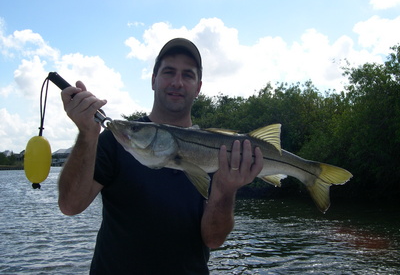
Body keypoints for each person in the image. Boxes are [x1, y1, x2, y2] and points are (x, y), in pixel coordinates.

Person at [58, 38, 264, 274]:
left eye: (188, 75)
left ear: (198, 87)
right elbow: (70, 205)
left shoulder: (223, 153)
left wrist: (225, 190)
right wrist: (86, 135)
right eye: (168, 72)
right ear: (153, 80)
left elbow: (213, 239)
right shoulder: (113, 142)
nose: (177, 82)